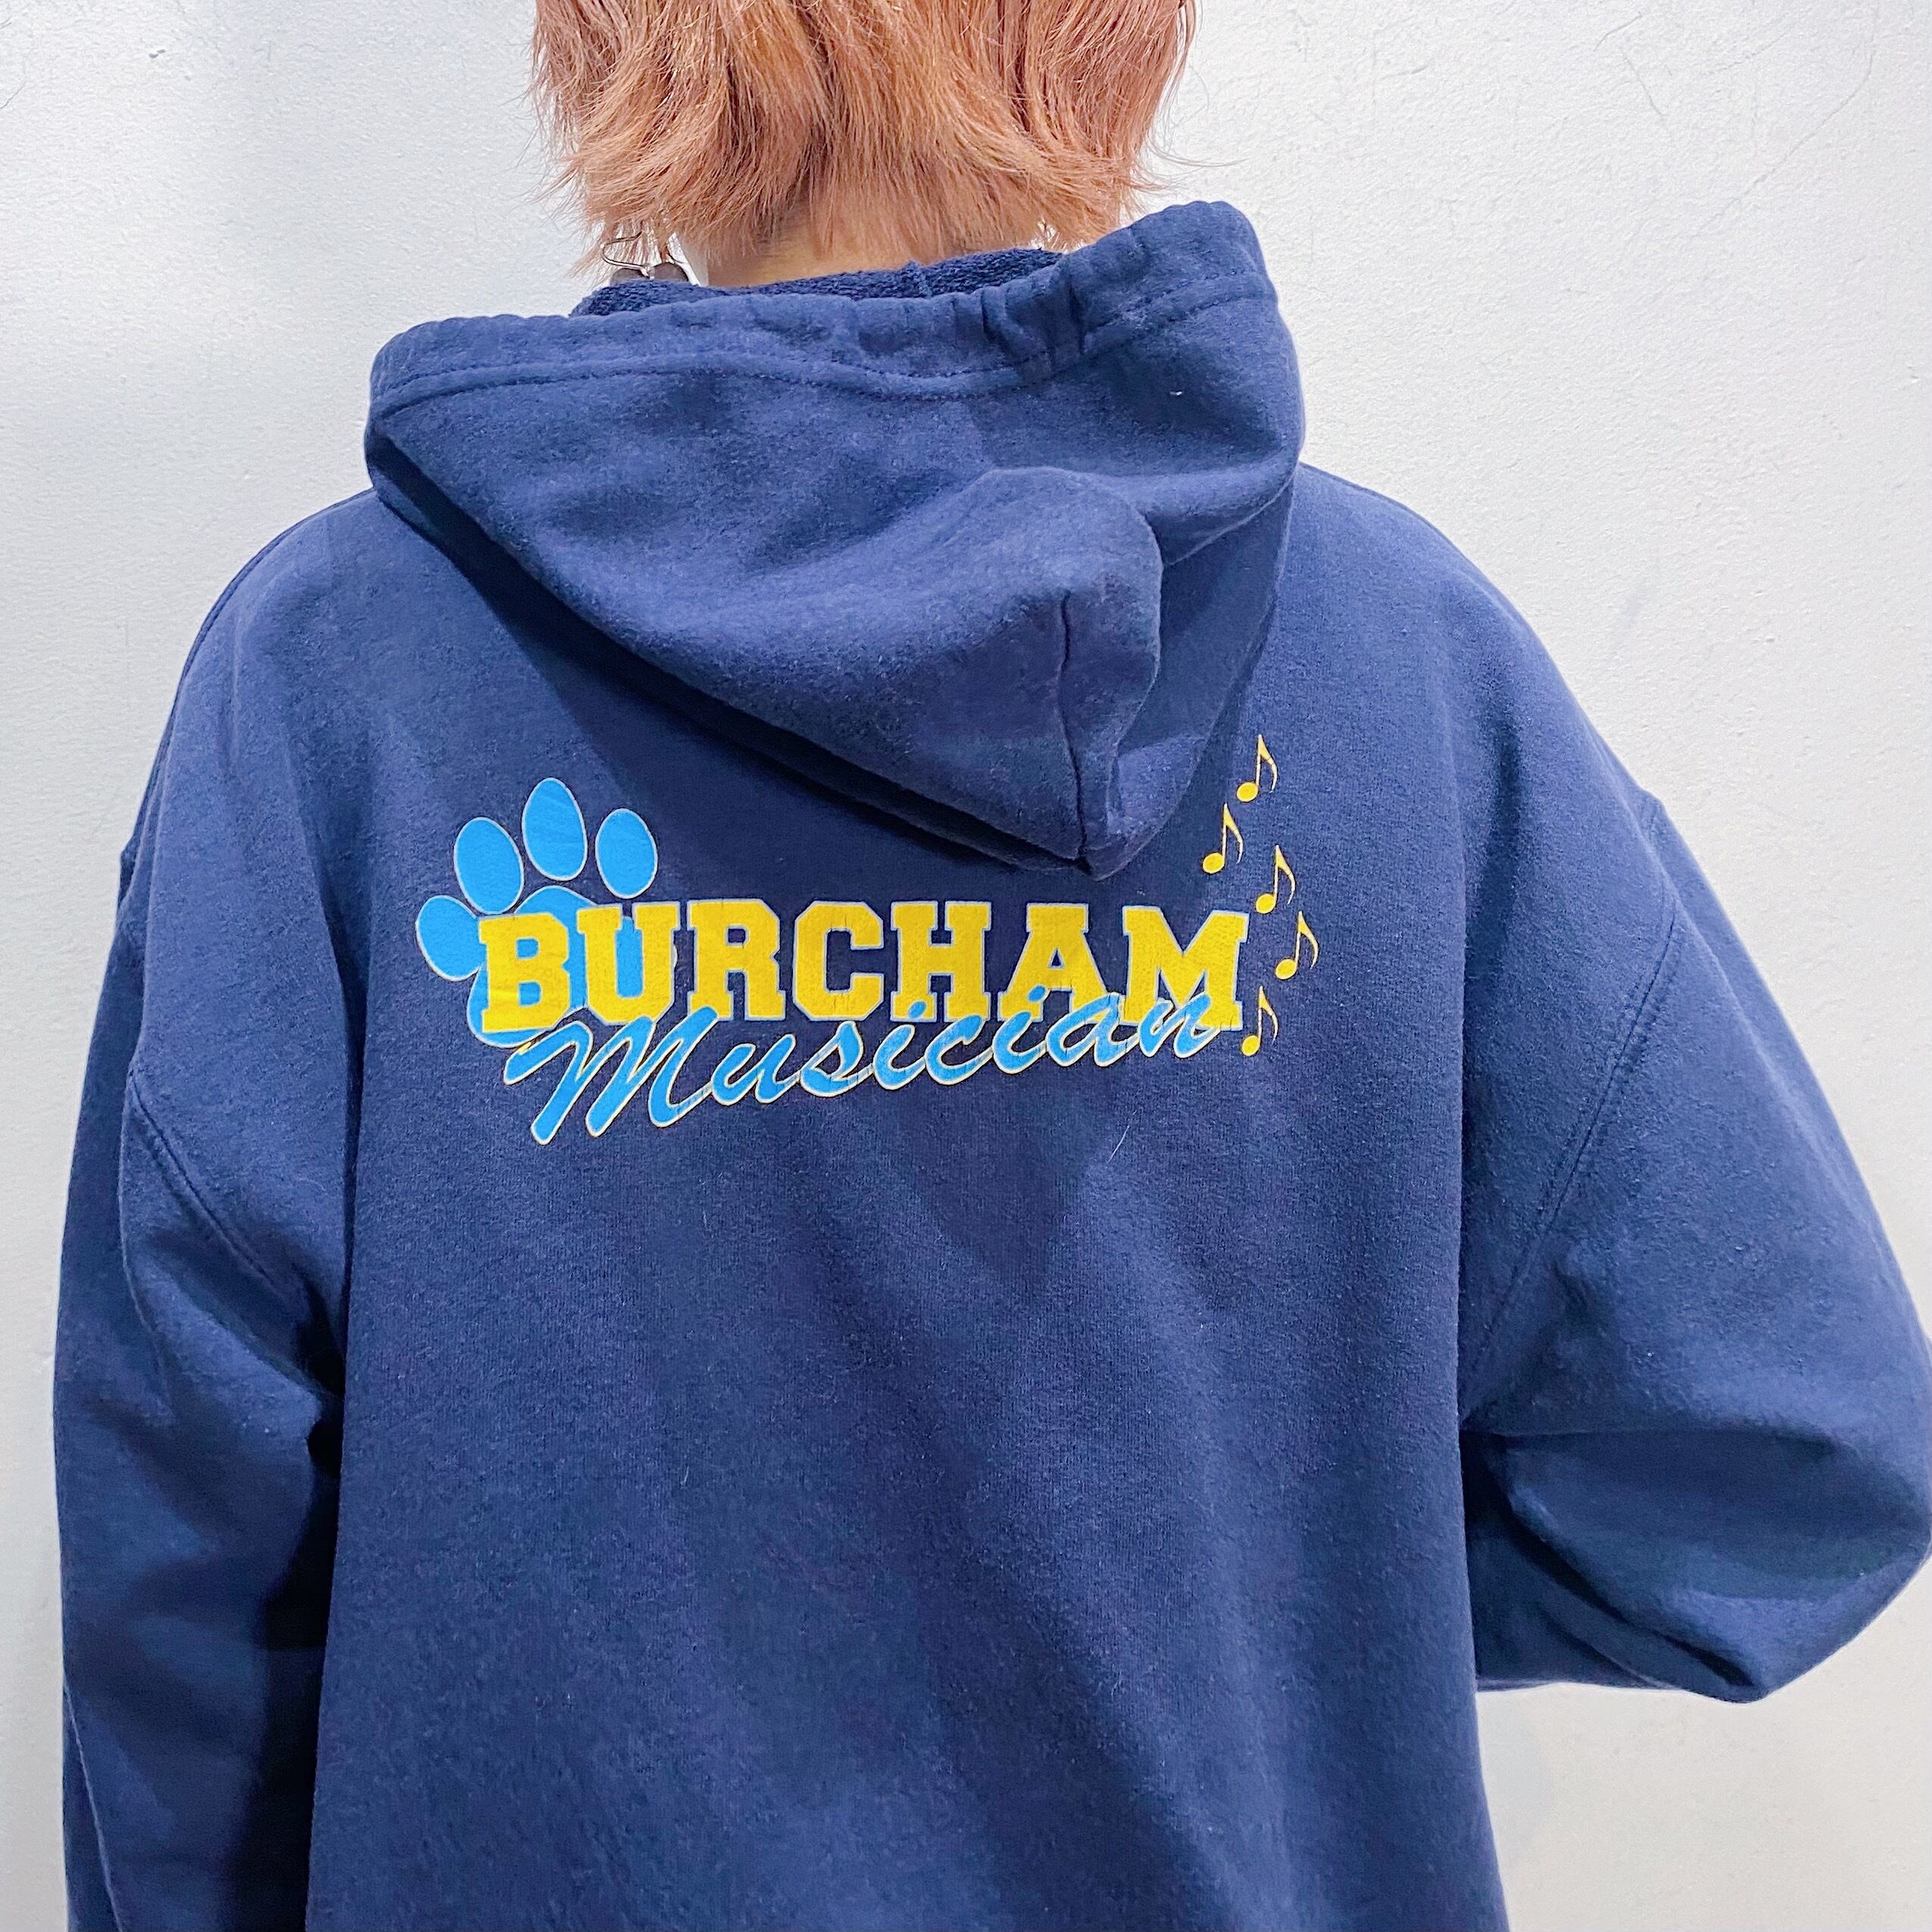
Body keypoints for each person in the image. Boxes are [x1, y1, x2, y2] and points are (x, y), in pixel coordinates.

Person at [53, 3, 1930, 1928]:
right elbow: (1783, 1450)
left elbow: (180, 1567)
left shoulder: (339, 680)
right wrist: (1273, 1585)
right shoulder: (1399, 665)